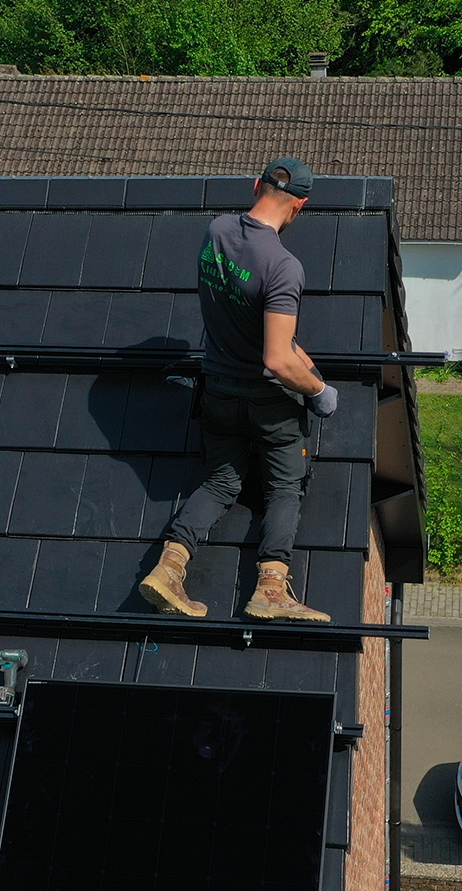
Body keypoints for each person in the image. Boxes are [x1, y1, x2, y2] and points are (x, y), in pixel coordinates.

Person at [138, 157, 340, 622]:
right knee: (286, 485)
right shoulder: (284, 267)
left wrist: (296, 356)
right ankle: (270, 589)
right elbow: (276, 359)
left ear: (256, 186)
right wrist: (318, 391)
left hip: (219, 390)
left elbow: (251, 321)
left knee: (222, 479)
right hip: (268, 400)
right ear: (300, 206)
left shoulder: (216, 231)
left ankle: (169, 567)